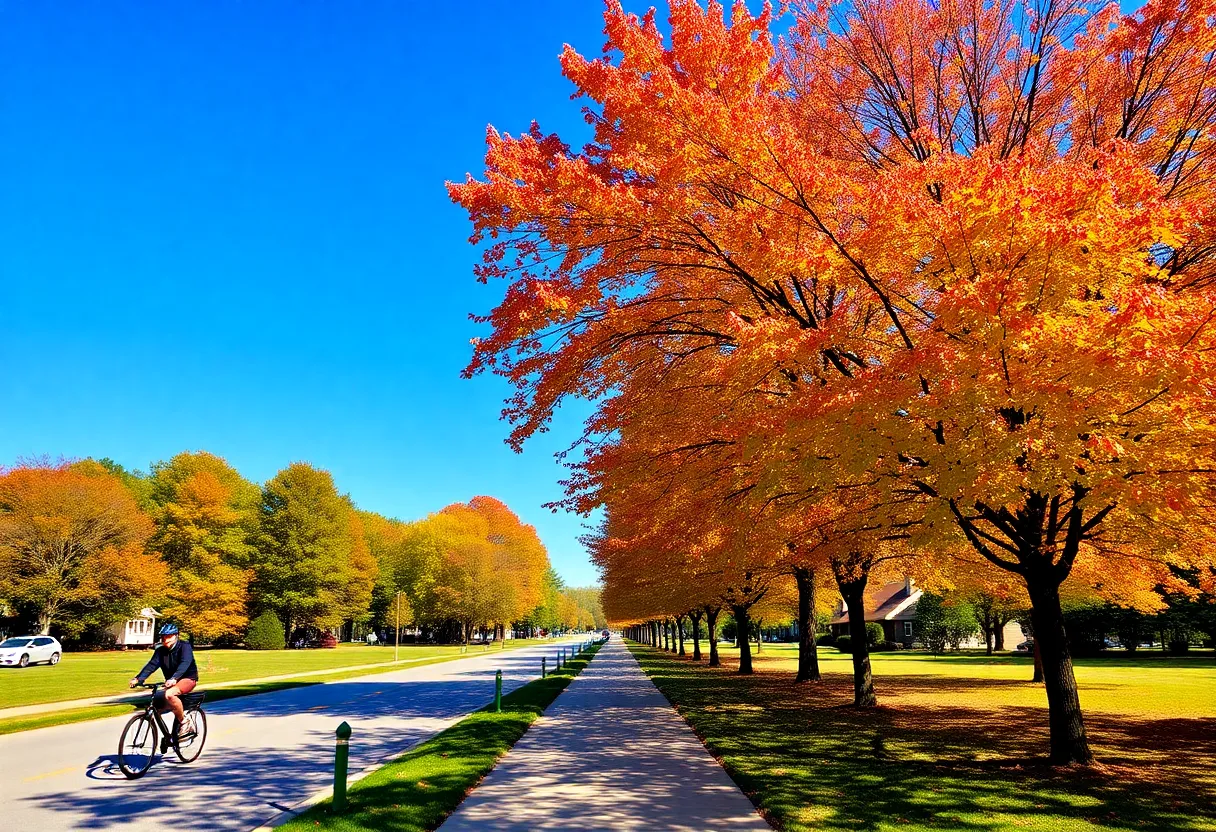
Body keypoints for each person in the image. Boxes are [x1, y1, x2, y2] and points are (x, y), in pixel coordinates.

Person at [129, 623, 199, 749]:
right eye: (163, 637)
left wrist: (174, 678)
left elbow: (185, 663)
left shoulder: (184, 647)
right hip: (171, 681)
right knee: (156, 705)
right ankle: (168, 736)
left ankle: (184, 722)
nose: (165, 639)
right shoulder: (160, 651)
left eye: (169, 636)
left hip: (187, 679)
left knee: (169, 694)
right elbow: (151, 665)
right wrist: (138, 678)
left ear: (176, 636)